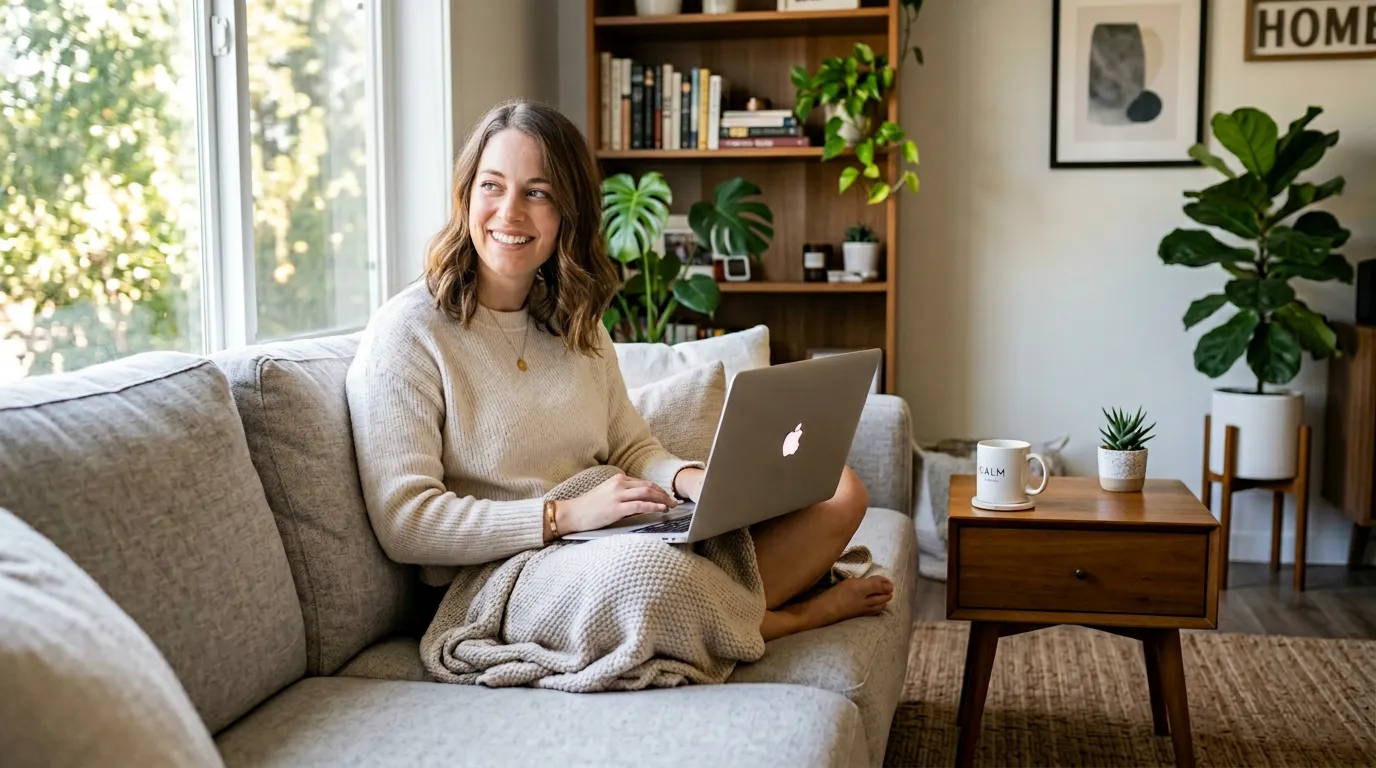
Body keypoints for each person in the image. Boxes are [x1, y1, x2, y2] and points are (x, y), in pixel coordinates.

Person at [345, 99, 892, 646]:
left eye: (537, 192)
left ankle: (722, 598)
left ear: (567, 214)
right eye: (492, 185)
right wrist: (563, 517)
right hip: (501, 574)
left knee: (836, 489)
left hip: (603, 533)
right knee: (650, 578)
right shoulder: (409, 332)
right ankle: (790, 617)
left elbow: (630, 446)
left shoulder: (574, 321)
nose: (509, 212)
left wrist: (691, 481)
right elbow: (407, 522)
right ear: (465, 196)